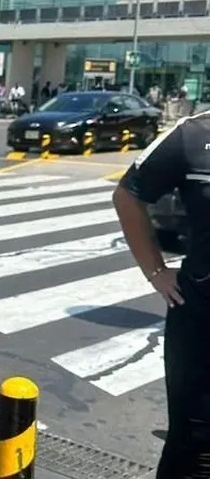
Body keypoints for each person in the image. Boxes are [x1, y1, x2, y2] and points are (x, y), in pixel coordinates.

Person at [113, 111, 210, 478]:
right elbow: (127, 193)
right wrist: (156, 271)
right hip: (201, 321)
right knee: (195, 448)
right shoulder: (193, 135)